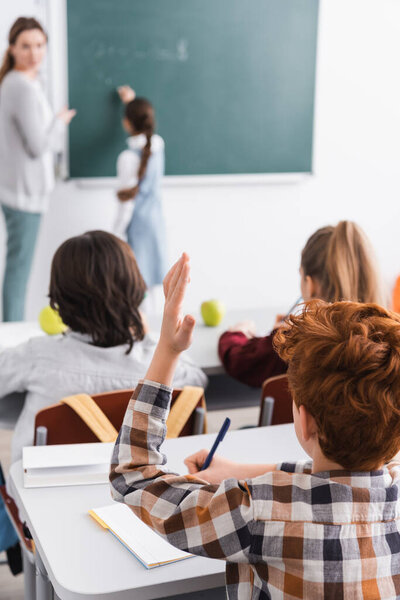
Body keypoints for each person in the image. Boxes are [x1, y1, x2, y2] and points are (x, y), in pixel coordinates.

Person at [110, 254, 400, 598]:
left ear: (303, 421)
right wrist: (236, 470)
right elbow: (340, 484)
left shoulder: (256, 512)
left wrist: (168, 351)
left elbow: (132, 478)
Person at [0, 232, 207, 464]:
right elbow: (198, 382)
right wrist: (147, 335)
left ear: (59, 297)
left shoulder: (37, 355)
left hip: (40, 496)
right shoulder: (163, 364)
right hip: (135, 493)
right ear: (136, 289)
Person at [218, 220, 387, 387]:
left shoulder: (302, 342)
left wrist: (238, 333)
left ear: (310, 284)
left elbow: (240, 361)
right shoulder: (389, 339)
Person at [0, 17, 76, 322]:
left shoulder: (22, 83)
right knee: (19, 272)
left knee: (18, 268)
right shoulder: (21, 87)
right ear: (13, 48)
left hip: (20, 190)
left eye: (40, 45)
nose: (35, 53)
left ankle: (9, 336)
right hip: (23, 195)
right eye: (27, 46)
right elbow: (36, 146)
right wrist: (60, 121)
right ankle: (9, 340)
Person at [115, 85, 167, 306]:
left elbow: (126, 205)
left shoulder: (128, 158)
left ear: (126, 123)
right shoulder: (158, 144)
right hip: (155, 221)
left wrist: (115, 234)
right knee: (154, 281)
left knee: (138, 281)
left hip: (137, 224)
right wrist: (132, 103)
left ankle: (142, 324)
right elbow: (143, 128)